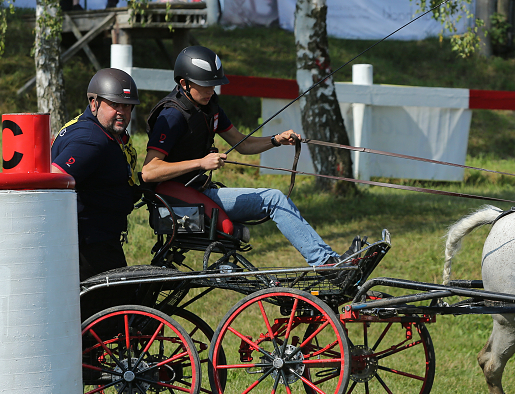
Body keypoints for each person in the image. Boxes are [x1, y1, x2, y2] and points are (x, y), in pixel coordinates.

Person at [141, 45, 358, 267]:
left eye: (214, 85)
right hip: (179, 200)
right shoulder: (172, 115)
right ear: (184, 83)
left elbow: (242, 144)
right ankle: (327, 263)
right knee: (274, 199)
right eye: (205, 85)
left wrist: (276, 140)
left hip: (201, 191)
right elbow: (149, 172)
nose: (211, 91)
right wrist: (201, 162)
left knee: (274, 199)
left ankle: (331, 261)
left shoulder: (209, 108)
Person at [51, 68, 140, 281]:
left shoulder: (92, 129)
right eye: (114, 105)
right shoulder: (92, 141)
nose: (122, 112)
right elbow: (52, 179)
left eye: (127, 106)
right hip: (90, 249)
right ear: (94, 103)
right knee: (118, 310)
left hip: (94, 243)